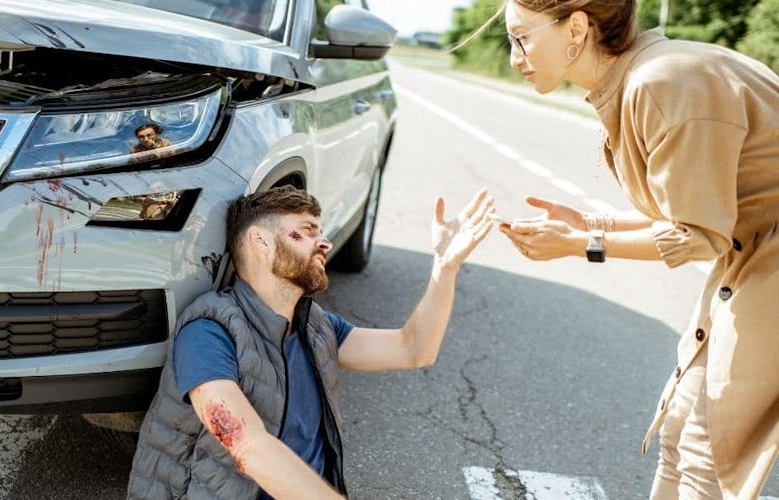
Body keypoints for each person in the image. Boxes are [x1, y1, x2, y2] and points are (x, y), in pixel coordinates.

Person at [494, 1, 779, 498]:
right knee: (681, 428)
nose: (515, 55)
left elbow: (698, 233)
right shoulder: (639, 78)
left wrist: (584, 244)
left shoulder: (661, 82)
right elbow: (695, 206)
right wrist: (590, 223)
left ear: (577, 28)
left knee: (706, 450)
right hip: (751, 256)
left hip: (762, 260)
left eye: (521, 37)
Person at [127, 186, 494, 499]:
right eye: (306, 231)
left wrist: (445, 267)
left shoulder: (316, 327)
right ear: (260, 240)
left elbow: (413, 349)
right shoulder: (209, 330)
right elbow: (248, 446)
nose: (326, 242)